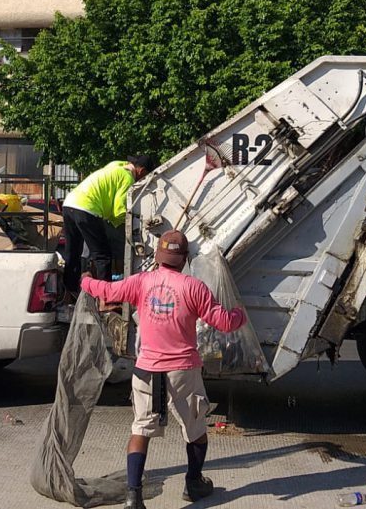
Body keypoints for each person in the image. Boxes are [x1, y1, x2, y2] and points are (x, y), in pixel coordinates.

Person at [80, 230, 246, 509]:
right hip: (183, 371)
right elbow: (224, 323)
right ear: (184, 259)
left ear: (158, 256)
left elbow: (108, 292)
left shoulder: (141, 282)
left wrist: (87, 282)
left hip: (145, 370)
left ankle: (133, 497)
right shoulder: (194, 288)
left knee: (140, 430)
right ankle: (193, 484)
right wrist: (240, 314)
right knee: (195, 430)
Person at [63, 155, 155, 293]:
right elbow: (119, 210)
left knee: (72, 252)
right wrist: (134, 224)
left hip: (69, 203)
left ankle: (68, 293)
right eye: (145, 176)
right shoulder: (128, 178)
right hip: (88, 208)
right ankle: (105, 298)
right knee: (102, 255)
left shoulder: (116, 167)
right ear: (142, 171)